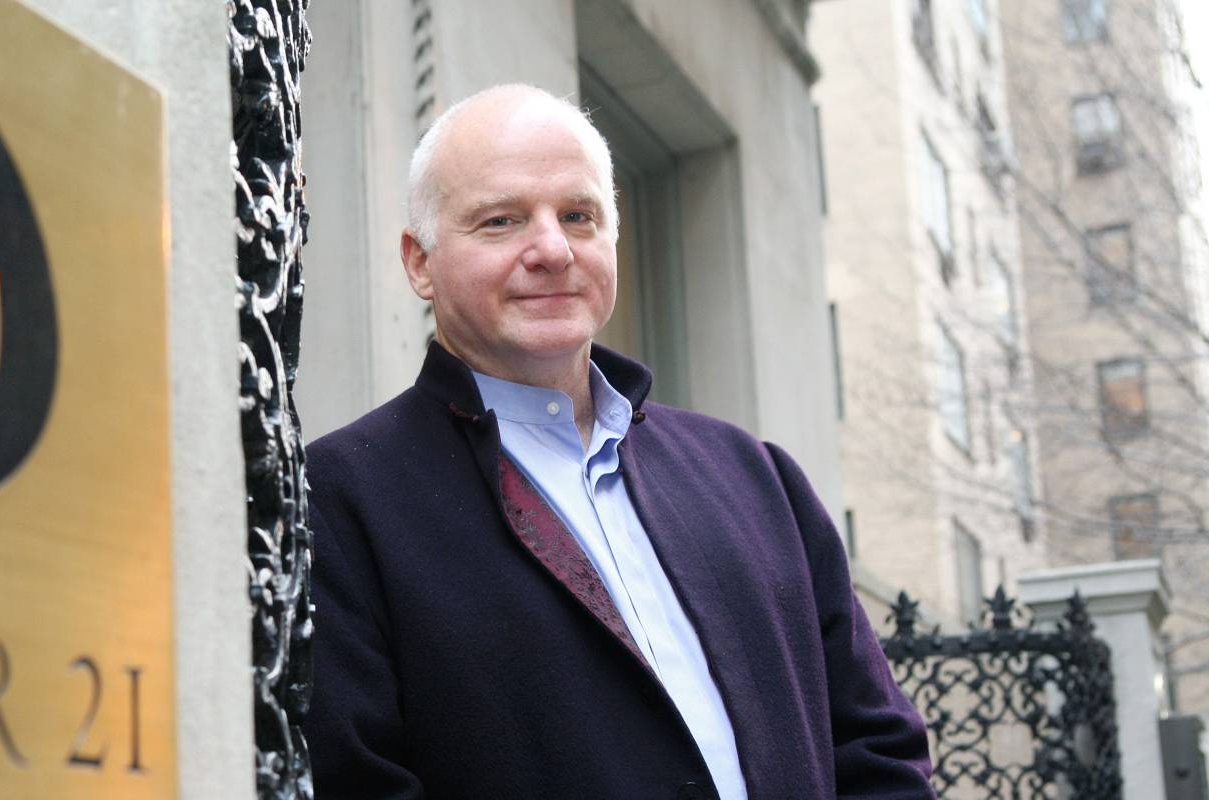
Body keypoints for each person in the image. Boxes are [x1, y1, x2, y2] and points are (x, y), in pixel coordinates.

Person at [303, 84, 934, 799]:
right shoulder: (338, 502)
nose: (551, 249)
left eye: (578, 216)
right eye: (501, 221)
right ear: (420, 262)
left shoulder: (757, 480)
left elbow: (879, 750)